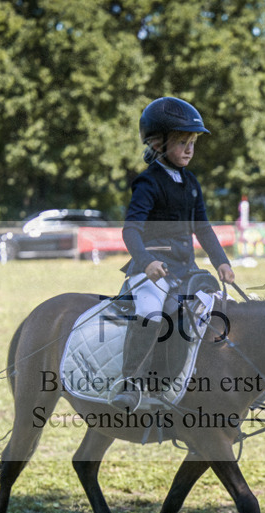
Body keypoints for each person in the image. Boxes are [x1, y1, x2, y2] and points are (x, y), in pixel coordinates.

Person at [110, 96, 235, 412]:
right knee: (151, 310)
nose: (190, 149)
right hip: (152, 268)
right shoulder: (148, 182)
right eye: (182, 142)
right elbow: (130, 230)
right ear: (157, 143)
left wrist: (221, 262)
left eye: (192, 143)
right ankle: (131, 382)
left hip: (185, 270)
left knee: (219, 309)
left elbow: (203, 228)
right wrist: (146, 262)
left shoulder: (191, 182)